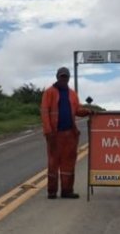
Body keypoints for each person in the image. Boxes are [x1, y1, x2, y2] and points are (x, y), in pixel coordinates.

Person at [40, 66, 92, 199]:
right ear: (57, 77)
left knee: (68, 164)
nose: (63, 78)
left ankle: (67, 191)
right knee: (53, 163)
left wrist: (88, 111)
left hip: (70, 134)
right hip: (54, 134)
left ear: (68, 78)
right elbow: (45, 112)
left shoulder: (72, 93)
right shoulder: (49, 92)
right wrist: (48, 131)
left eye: (66, 76)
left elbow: (78, 110)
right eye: (61, 76)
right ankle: (52, 192)